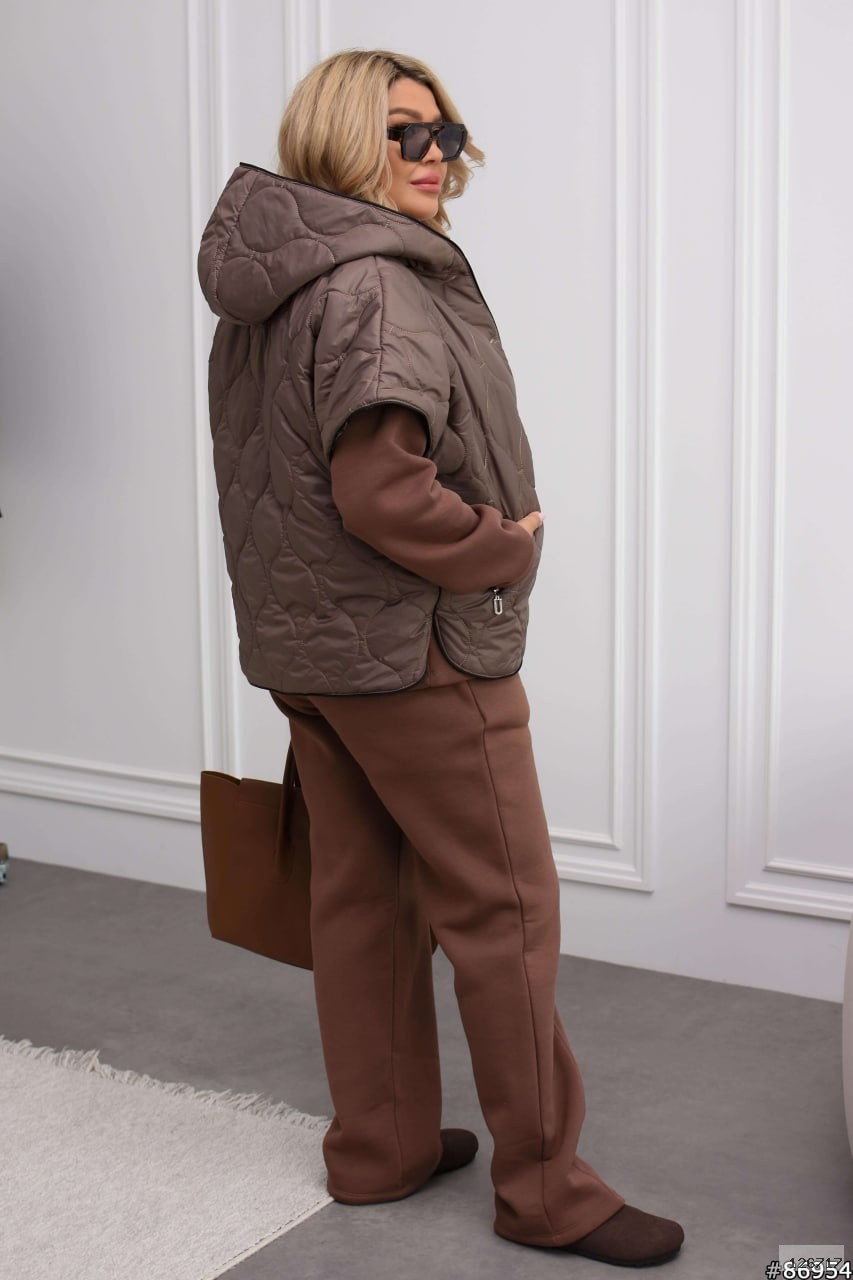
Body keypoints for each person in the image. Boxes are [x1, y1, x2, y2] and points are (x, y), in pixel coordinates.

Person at [197, 48, 684, 1269]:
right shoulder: (375, 281)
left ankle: (381, 1146)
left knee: (362, 897)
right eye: (403, 132)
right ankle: (547, 1192)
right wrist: (502, 548)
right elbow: (380, 492)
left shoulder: (277, 282)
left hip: (315, 650)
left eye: (444, 133)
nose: (433, 156)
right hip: (416, 650)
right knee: (503, 909)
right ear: (339, 139)